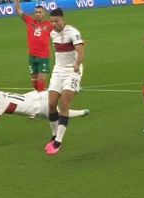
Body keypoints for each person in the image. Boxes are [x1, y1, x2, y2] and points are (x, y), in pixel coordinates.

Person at [0, 84, 89, 155]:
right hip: (35, 96)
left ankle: (80, 104)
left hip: (38, 107)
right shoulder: (1, 95)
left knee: (59, 115)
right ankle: (77, 93)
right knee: (58, 102)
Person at [46, 8, 84, 156]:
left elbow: (81, 52)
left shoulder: (73, 32)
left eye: (57, 21)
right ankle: (54, 134)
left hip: (72, 71)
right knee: (51, 104)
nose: (54, 24)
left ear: (63, 20)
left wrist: (77, 64)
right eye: (52, 21)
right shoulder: (52, 33)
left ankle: (58, 141)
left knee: (64, 104)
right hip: (58, 70)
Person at [15, 0, 52, 91]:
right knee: (34, 83)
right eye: (36, 12)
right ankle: (40, 97)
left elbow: (61, 29)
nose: (38, 14)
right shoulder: (29, 21)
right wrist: (17, 2)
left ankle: (42, 101)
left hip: (43, 57)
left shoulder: (49, 25)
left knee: (41, 80)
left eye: (40, 12)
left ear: (44, 13)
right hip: (32, 57)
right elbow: (19, 10)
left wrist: (75, 39)